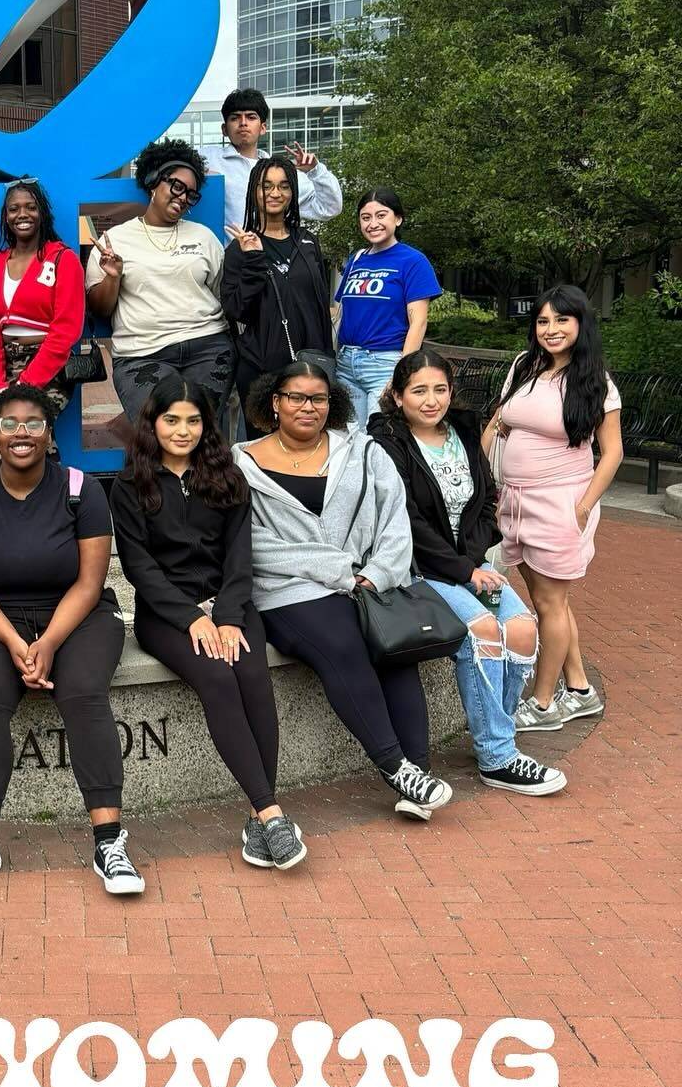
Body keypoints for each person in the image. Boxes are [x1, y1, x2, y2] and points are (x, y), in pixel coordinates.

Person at [0, 385, 143, 897]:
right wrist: (12, 639)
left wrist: (48, 641)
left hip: (76, 614)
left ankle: (109, 840)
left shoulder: (81, 488)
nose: (21, 432)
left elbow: (90, 583)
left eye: (33, 423)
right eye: (9, 424)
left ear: (49, 435)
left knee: (82, 693)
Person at [234, 360, 455, 820]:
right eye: (295, 397)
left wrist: (377, 573)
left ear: (331, 404)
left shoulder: (365, 452)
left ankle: (419, 773)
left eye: (318, 398)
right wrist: (338, 571)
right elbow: (250, 544)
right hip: (288, 591)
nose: (307, 407)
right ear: (274, 403)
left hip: (367, 582)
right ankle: (397, 768)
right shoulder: (242, 463)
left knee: (394, 649)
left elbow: (396, 521)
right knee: (343, 643)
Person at [111, 378, 307, 870]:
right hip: (165, 615)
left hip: (232, 607)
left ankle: (264, 816)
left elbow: (241, 558)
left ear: (207, 424)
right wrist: (190, 618)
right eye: (172, 420)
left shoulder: (227, 476)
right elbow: (140, 569)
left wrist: (226, 615)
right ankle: (270, 812)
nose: (183, 431)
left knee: (253, 676)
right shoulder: (130, 484)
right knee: (218, 679)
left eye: (194, 420)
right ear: (153, 423)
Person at [369, 351, 567, 795]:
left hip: (469, 564)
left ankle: (499, 742)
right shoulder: (387, 443)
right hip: (419, 568)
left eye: (440, 389)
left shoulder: (462, 429)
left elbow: (486, 498)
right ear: (398, 396)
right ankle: (497, 756)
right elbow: (407, 519)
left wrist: (474, 559)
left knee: (520, 629)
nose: (431, 400)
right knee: (481, 631)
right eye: (418, 390)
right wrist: (463, 569)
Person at [482, 286, 623, 732]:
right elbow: (498, 420)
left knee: (550, 603)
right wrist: (482, 479)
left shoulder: (595, 381)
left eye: (562, 320)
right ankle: (579, 689)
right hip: (512, 500)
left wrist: (582, 508)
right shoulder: (524, 367)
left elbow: (613, 452)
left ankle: (542, 704)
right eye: (543, 321)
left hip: (560, 503)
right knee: (551, 603)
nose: (551, 330)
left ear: (581, 324)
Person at [85, 140, 233, 424]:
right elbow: (100, 309)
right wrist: (113, 278)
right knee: (157, 436)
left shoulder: (203, 237)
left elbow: (221, 293)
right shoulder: (114, 240)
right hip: (141, 355)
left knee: (200, 436)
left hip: (208, 349)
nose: (182, 197)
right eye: (177, 186)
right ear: (154, 182)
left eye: (191, 194)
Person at [221, 156, 333, 437]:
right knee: (265, 450)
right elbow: (236, 310)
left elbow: (320, 307)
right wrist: (254, 259)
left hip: (309, 366)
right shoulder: (239, 248)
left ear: (292, 192)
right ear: (253, 192)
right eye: (266, 186)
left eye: (283, 186)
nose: (274, 193)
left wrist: (327, 359)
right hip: (261, 371)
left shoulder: (308, 242)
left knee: (311, 444)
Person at [0, 178, 85, 419]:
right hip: (4, 366)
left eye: (31, 207)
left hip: (48, 365)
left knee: (24, 423)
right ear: (6, 216)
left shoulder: (63, 260)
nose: (22, 214)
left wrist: (26, 384)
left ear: (42, 213)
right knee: (11, 435)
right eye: (14, 209)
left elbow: (66, 331)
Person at [333, 188, 443, 424]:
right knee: (348, 439)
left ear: (398, 218)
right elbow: (341, 311)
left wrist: (403, 372)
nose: (373, 223)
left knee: (382, 437)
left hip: (385, 364)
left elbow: (419, 322)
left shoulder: (413, 261)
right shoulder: (357, 259)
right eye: (366, 217)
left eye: (381, 215)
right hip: (346, 364)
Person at [198, 88, 342, 238]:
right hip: (226, 257)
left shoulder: (279, 172)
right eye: (235, 118)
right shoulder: (207, 158)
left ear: (262, 128)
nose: (243, 123)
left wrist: (315, 170)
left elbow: (329, 208)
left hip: (271, 257)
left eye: (251, 117)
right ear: (224, 129)